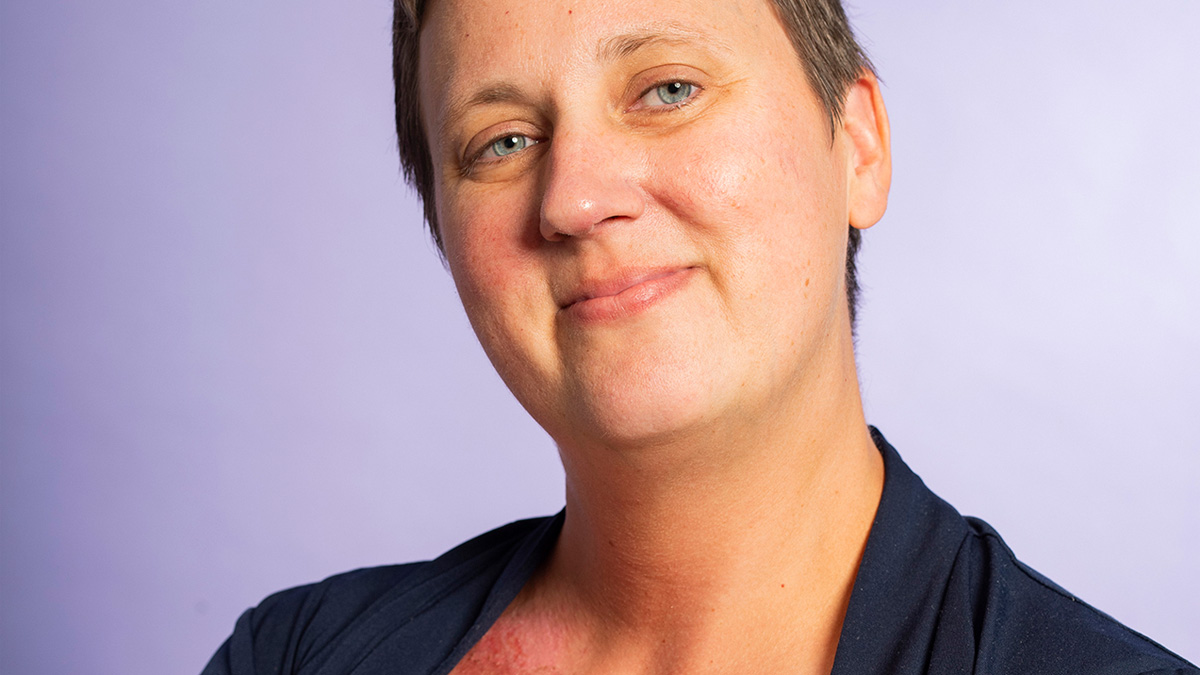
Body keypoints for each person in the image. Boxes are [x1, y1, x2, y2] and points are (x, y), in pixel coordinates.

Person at [203, 0, 1197, 673]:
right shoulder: (298, 655)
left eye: (667, 88)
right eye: (502, 141)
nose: (576, 197)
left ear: (858, 147)